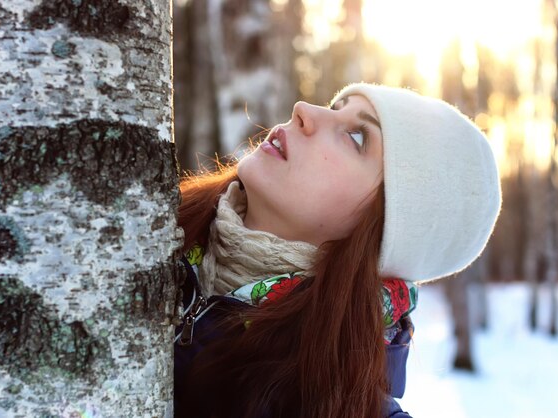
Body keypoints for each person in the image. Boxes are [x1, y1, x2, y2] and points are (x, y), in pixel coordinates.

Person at [173, 83, 502, 418]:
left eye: (357, 137)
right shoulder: (138, 230)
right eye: (334, 107)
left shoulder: (341, 407)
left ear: (382, 229)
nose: (304, 110)